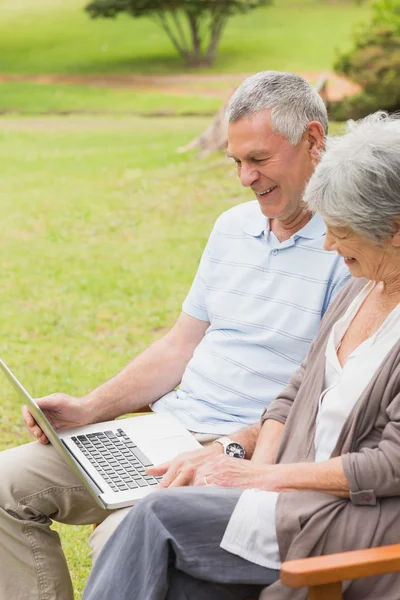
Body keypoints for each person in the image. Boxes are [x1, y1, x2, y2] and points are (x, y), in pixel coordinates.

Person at [0, 71, 349, 600]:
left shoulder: (349, 248)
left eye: (259, 159)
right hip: (163, 434)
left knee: (123, 536)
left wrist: (233, 449)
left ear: (315, 141)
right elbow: (179, 346)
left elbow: (321, 401)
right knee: (5, 484)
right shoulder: (232, 228)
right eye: (236, 162)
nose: (244, 178)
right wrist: (91, 408)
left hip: (239, 450)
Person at [83, 111, 400, 600]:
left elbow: (389, 465)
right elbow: (294, 392)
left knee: (156, 516)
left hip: (347, 517)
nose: (330, 244)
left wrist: (263, 477)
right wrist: (256, 479)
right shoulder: (363, 287)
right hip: (290, 495)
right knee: (180, 587)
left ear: (395, 229)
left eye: (341, 230)